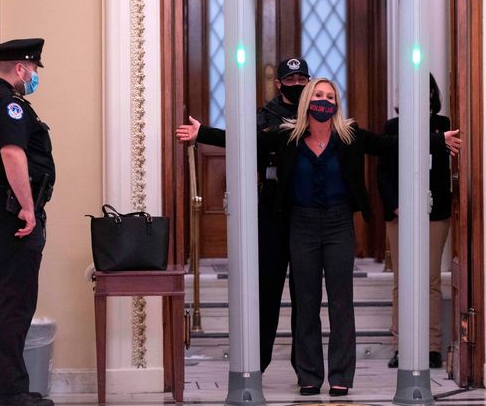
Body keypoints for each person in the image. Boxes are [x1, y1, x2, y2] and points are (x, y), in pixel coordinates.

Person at [177, 78, 461, 396]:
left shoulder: (349, 135)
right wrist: (202, 133)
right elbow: (247, 141)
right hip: (301, 224)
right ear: (307, 101)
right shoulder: (288, 136)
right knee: (307, 302)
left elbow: (388, 144)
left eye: (330, 96)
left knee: (341, 302)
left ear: (337, 103)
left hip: (340, 224)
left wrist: (437, 140)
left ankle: (341, 375)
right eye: (318, 95)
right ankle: (309, 375)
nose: (324, 101)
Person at [0, 39, 56, 406]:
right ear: (20, 68)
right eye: (33, 70)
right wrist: (26, 207)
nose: (34, 77)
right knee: (15, 300)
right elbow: (11, 152)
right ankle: (11, 393)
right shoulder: (8, 103)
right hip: (8, 208)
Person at [378, 74, 454, 369]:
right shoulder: (393, 127)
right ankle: (402, 346)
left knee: (431, 280)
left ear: (433, 94)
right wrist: (395, 205)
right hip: (400, 215)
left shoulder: (445, 126)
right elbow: (383, 172)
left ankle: (433, 346)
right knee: (403, 281)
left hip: (435, 213)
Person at [257, 57, 310, 374]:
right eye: (290, 80)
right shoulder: (266, 116)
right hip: (272, 210)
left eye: (303, 79)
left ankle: (304, 366)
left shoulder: (318, 113)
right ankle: (257, 363)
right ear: (279, 84)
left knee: (305, 294)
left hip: (306, 209)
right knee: (268, 291)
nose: (298, 85)